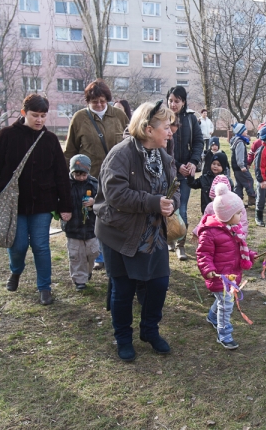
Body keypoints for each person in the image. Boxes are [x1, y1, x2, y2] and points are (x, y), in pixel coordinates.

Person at [93, 100, 180, 361]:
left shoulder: (163, 155)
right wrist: (153, 202)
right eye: (166, 126)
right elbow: (116, 195)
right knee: (123, 288)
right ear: (148, 128)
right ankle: (123, 338)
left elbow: (174, 188)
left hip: (153, 233)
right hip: (119, 233)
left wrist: (171, 203)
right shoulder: (121, 154)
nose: (170, 131)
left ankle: (149, 331)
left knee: (158, 284)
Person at [0, 94, 72, 306]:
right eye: (35, 115)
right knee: (18, 244)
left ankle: (44, 288)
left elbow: (61, 173)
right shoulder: (7, 135)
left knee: (41, 246)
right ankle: (16, 271)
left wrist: (65, 205)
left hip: (43, 203)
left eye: (43, 116)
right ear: (24, 113)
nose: (39, 120)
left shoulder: (49, 140)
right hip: (15, 205)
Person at [64, 79, 129, 271]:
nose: (99, 105)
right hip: (89, 179)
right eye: (94, 102)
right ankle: (98, 255)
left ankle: (117, 252)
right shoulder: (79, 118)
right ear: (87, 101)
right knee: (92, 216)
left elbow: (130, 143)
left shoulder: (119, 115)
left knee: (116, 215)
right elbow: (70, 151)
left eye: (102, 101)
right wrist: (69, 179)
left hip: (117, 177)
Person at [196, 183, 255, 350]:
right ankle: (224, 334)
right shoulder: (210, 232)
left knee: (223, 300)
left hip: (231, 274)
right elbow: (203, 254)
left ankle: (212, 316)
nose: (241, 215)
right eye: (238, 213)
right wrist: (208, 270)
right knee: (226, 303)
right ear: (226, 214)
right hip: (219, 277)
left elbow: (238, 249)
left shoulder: (233, 229)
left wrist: (249, 255)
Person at [167, 85, 204, 261]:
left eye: (177, 101)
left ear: (183, 102)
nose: (173, 104)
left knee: (182, 209)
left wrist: (193, 162)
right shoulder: (163, 119)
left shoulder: (190, 119)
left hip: (185, 174)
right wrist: (177, 164)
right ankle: (169, 238)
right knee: (167, 207)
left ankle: (180, 245)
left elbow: (198, 142)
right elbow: (162, 147)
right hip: (167, 172)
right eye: (171, 100)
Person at [61, 154, 99, 291]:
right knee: (76, 255)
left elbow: (103, 200)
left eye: (84, 175)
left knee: (93, 252)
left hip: (91, 227)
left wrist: (94, 202)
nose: (81, 178)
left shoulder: (94, 184)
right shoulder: (65, 185)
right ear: (71, 172)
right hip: (73, 227)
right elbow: (59, 200)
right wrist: (63, 210)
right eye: (77, 175)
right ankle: (79, 280)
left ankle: (88, 271)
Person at [230, 123, 256, 207]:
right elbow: (239, 155)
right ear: (240, 132)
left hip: (236, 167)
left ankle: (238, 201)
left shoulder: (236, 140)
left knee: (239, 183)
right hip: (240, 167)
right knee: (249, 180)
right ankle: (251, 197)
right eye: (245, 130)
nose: (246, 131)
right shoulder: (240, 142)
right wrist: (242, 166)